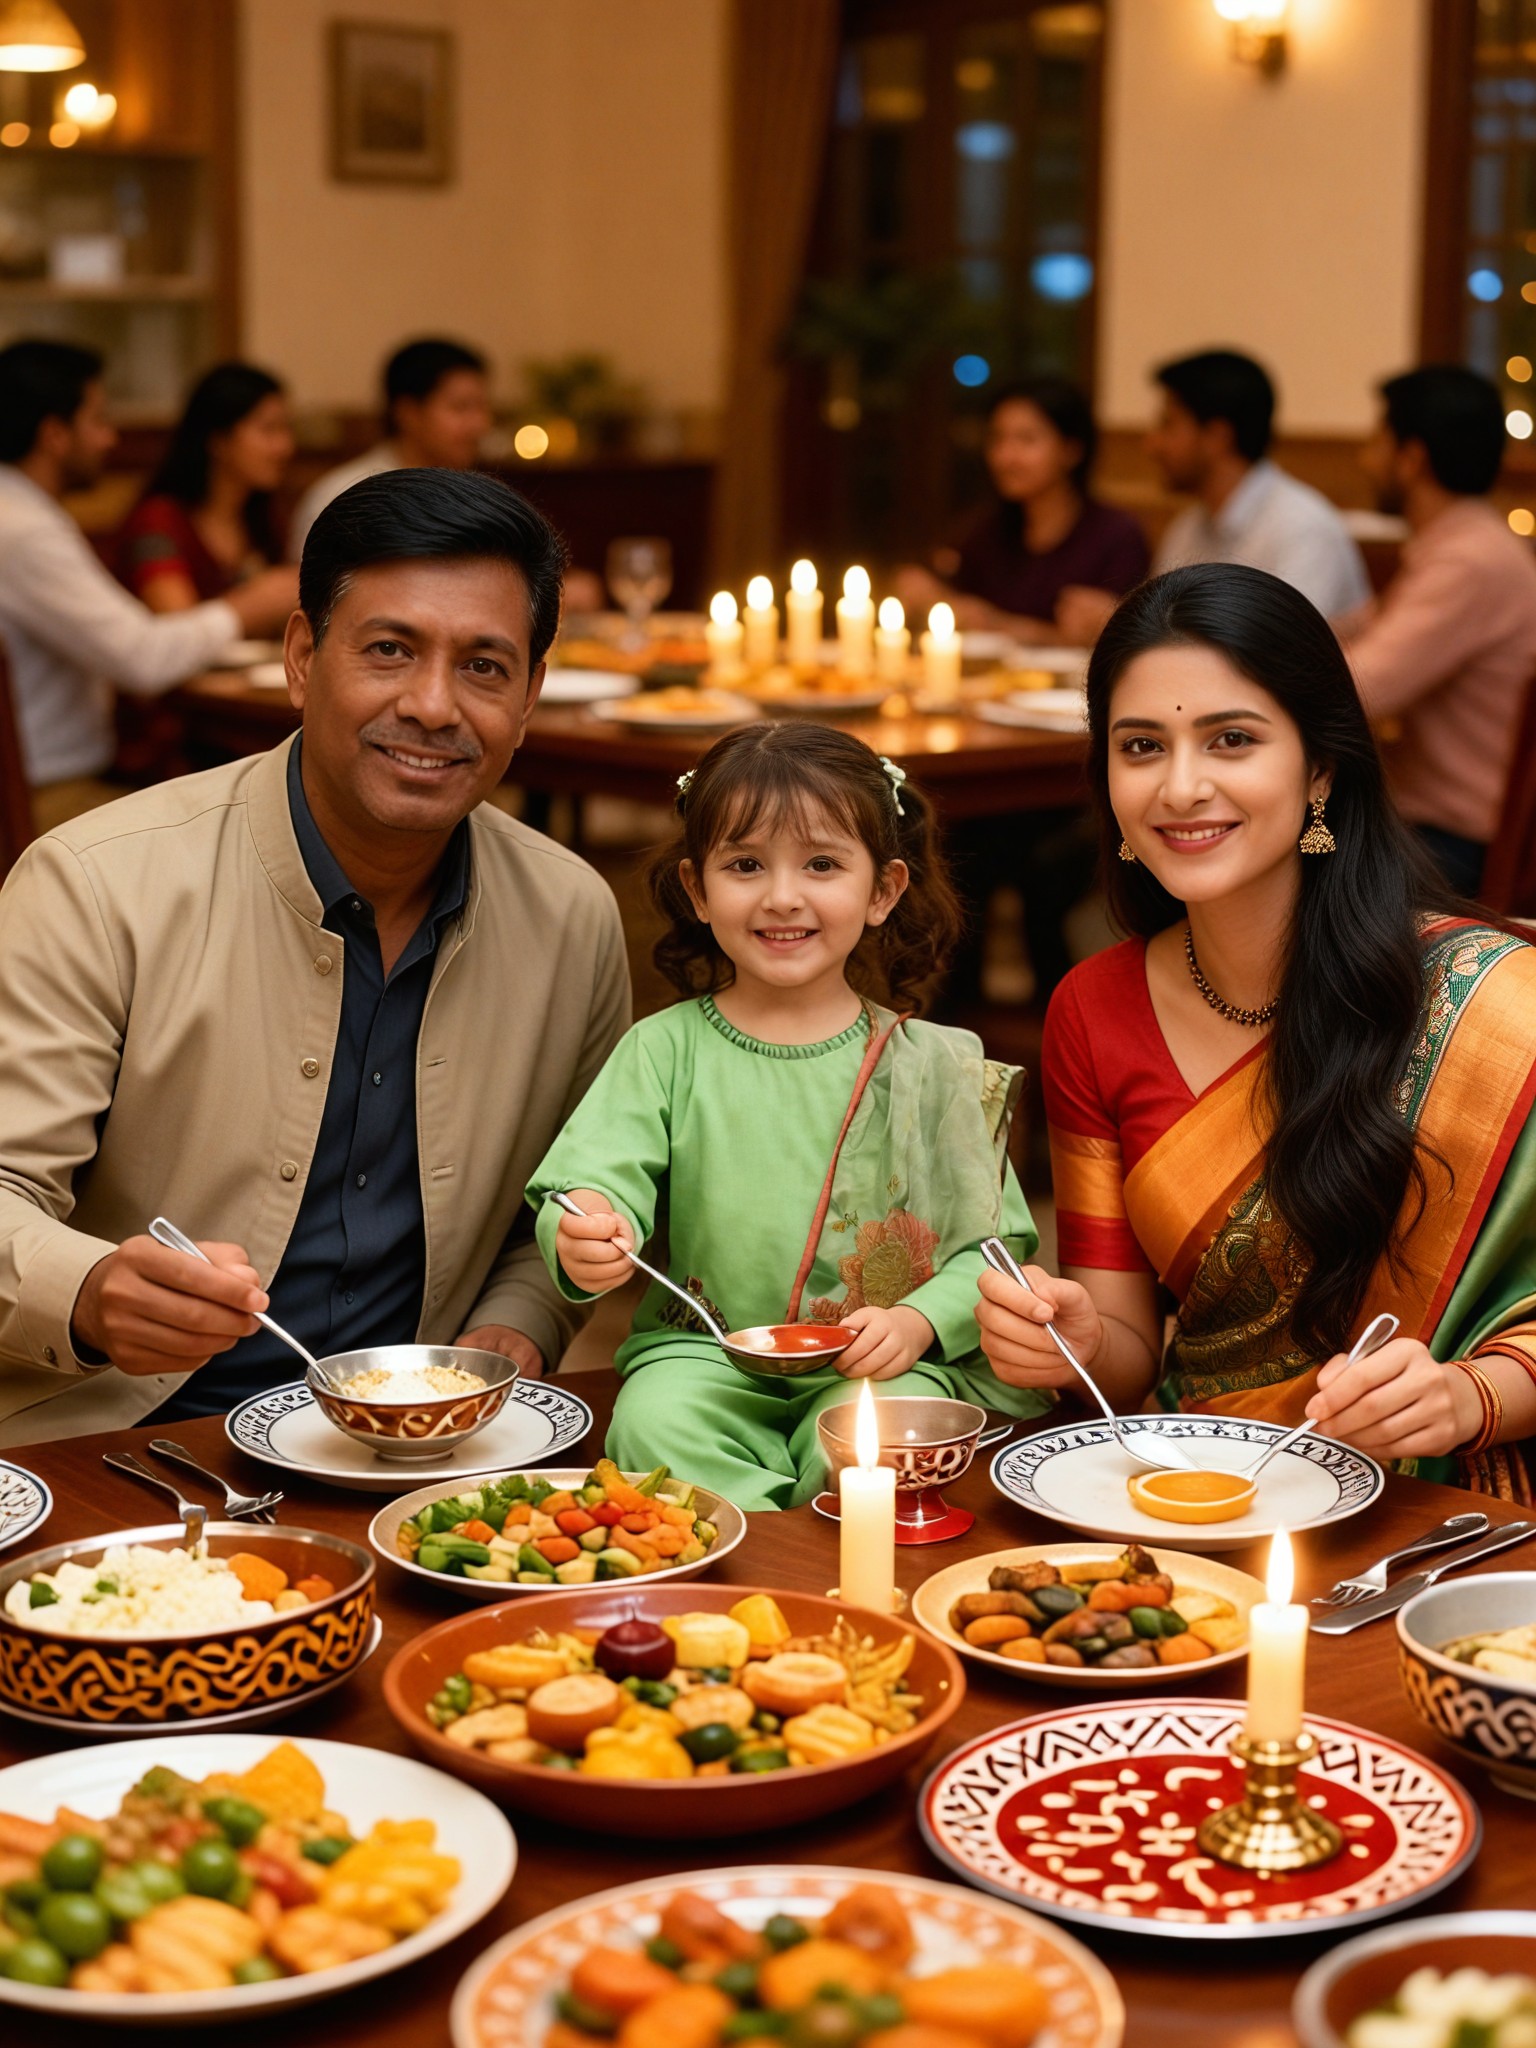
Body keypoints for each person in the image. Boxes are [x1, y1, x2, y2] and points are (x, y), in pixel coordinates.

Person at [0, 468, 630, 1444]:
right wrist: (87, 1290)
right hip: (123, 1439)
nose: (432, 705)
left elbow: (568, 1201)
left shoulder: (572, 914)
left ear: (531, 694)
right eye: (389, 649)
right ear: (302, 657)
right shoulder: (95, 883)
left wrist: (526, 1319)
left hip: (423, 1446)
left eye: (485, 666)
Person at [974, 562, 1536, 1500]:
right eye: (1141, 746)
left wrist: (1473, 1395)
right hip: (1201, 1489)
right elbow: (1122, 1351)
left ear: (1319, 765)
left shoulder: (1494, 1004)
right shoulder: (1092, 1008)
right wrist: (1070, 1338)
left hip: (1443, 1507)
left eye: (1231, 739)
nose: (1181, 787)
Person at [525, 723, 1051, 1511]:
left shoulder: (931, 1064)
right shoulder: (663, 1049)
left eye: (822, 864)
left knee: (879, 1434)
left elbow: (995, 1246)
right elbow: (589, 1183)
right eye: (744, 865)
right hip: (706, 1351)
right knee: (651, 1425)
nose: (781, 895)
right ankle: (772, 1556)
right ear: (699, 890)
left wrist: (918, 1321)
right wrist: (590, 1229)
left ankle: (817, 1559)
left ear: (883, 891)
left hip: (873, 1359)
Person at [0, 340, 293, 833]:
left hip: (59, 774)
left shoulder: (22, 514)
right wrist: (252, 605)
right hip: (43, 796)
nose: (109, 438)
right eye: (96, 420)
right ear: (54, 434)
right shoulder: (24, 529)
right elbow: (144, 658)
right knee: (246, 831)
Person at [1341, 365, 1536, 897]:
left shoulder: (1469, 561)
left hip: (1457, 842)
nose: (1365, 459)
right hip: (1435, 825)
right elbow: (1352, 631)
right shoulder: (1456, 544)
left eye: (1377, 441)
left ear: (1412, 458)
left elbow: (1361, 687)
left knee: (1272, 864)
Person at [896, 377, 1149, 647]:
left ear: (1071, 450)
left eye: (1026, 440)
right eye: (997, 438)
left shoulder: (1116, 535)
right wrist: (944, 602)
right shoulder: (989, 529)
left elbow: (1131, 642)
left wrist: (998, 624)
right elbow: (914, 579)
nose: (1005, 456)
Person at [1148, 350, 1369, 619]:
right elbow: (1157, 628)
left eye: (1167, 425)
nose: (1152, 445)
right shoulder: (1187, 528)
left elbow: (1281, 648)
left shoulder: (1302, 528)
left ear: (1218, 437)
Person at [287, 337, 491, 558]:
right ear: (408, 412)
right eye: (461, 408)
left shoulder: (475, 494)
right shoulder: (350, 495)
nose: (480, 424)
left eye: (483, 407)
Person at [116, 361, 298, 610]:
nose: (285, 446)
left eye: (287, 429)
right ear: (218, 440)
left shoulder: (264, 519)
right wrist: (265, 596)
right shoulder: (158, 521)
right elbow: (177, 619)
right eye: (268, 430)